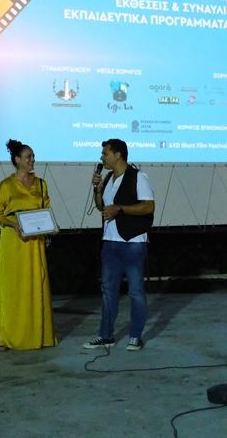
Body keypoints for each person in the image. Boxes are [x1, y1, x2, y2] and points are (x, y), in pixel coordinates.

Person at [84, 138, 155, 351]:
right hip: (110, 243)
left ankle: (135, 336)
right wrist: (97, 190)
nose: (101, 158)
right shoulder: (107, 178)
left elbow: (148, 206)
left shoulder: (138, 177)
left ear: (118, 155)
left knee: (135, 291)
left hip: (132, 242)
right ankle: (106, 335)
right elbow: (102, 207)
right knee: (108, 290)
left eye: (104, 153)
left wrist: (120, 209)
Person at [0, 139, 57, 351]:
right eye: (28, 157)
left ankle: (39, 335)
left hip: (34, 242)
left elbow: (46, 210)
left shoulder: (41, 184)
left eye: (33, 156)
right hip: (14, 241)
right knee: (13, 289)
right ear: (17, 159)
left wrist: (51, 226)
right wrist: (13, 223)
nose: (32, 160)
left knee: (36, 285)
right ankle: (9, 338)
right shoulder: (6, 185)